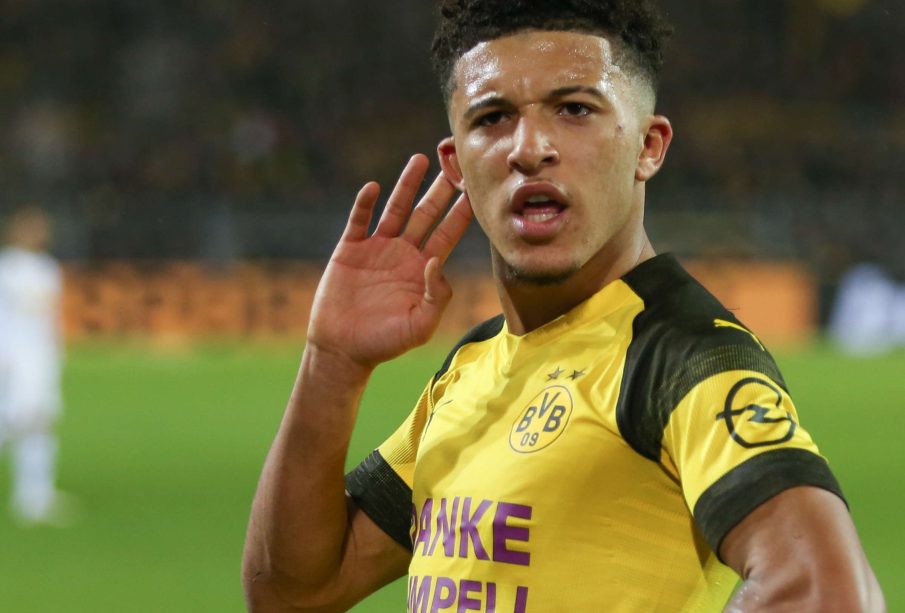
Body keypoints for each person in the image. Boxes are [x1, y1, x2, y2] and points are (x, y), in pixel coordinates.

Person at [242, 1, 885, 610]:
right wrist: (331, 363)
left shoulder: (680, 358)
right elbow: (293, 593)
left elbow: (827, 592)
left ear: (648, 146)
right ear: (457, 164)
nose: (529, 148)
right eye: (492, 118)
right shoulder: (473, 367)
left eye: (574, 109)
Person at [0, 206, 69, 525]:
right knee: (25, 420)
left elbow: (48, 317)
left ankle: (35, 496)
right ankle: (33, 497)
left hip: (41, 356)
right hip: (15, 356)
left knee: (38, 422)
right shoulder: (8, 267)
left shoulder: (46, 266)